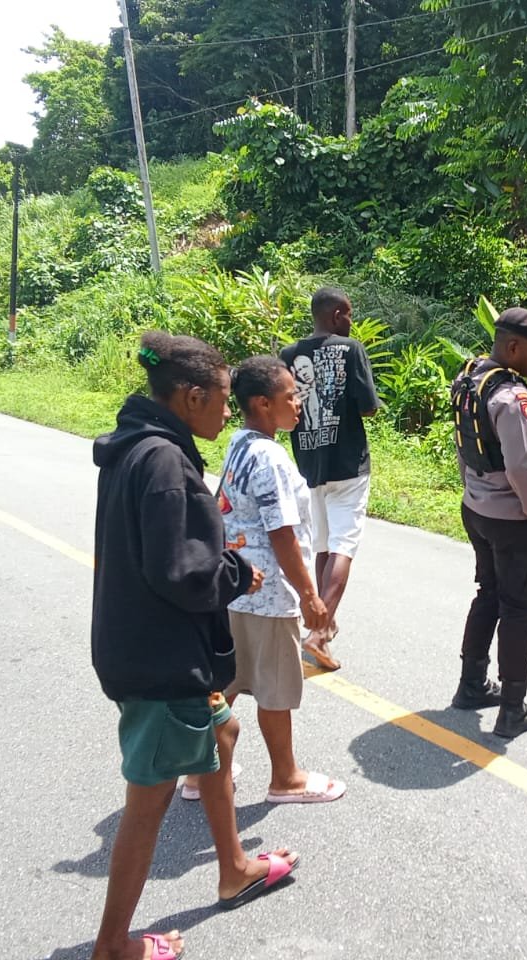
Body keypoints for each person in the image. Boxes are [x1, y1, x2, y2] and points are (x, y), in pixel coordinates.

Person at [89, 332, 299, 960]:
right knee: (148, 802)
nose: (229, 411)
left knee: (223, 730)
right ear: (192, 396)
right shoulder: (164, 464)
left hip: (158, 644)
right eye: (224, 399)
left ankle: (233, 867)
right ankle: (111, 946)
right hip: (160, 659)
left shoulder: (141, 446)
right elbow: (182, 572)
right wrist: (238, 572)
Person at [219, 355, 348, 804]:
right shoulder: (270, 457)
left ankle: (202, 772)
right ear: (262, 403)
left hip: (235, 585)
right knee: (274, 689)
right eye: (290, 396)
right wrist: (310, 595)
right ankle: (286, 778)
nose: (298, 404)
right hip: (269, 594)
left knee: (227, 682)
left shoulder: (239, 443)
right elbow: (282, 534)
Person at [450, 307, 527, 739]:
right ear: (513, 347)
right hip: (513, 522)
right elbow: (522, 470)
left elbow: (463, 448)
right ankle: (512, 710)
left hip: (476, 509)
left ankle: (472, 686)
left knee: (489, 593)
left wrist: (475, 491)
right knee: (518, 611)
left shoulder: (470, 379)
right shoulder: (512, 398)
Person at [280, 286, 382, 671]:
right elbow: (368, 407)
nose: (351, 321)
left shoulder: (288, 355)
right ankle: (319, 633)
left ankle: (323, 620)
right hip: (348, 465)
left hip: (309, 464)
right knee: (343, 546)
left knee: (323, 545)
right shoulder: (351, 349)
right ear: (337, 315)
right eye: (349, 314)